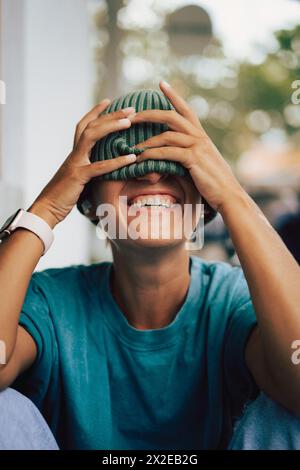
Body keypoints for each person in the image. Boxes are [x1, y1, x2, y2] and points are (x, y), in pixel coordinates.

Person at [0, 82, 299, 450]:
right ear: (88, 201)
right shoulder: (52, 303)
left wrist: (232, 196)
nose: (153, 176)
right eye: (126, 164)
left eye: (178, 167)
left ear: (205, 203)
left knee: (289, 411)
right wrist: (43, 212)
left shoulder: (232, 301)